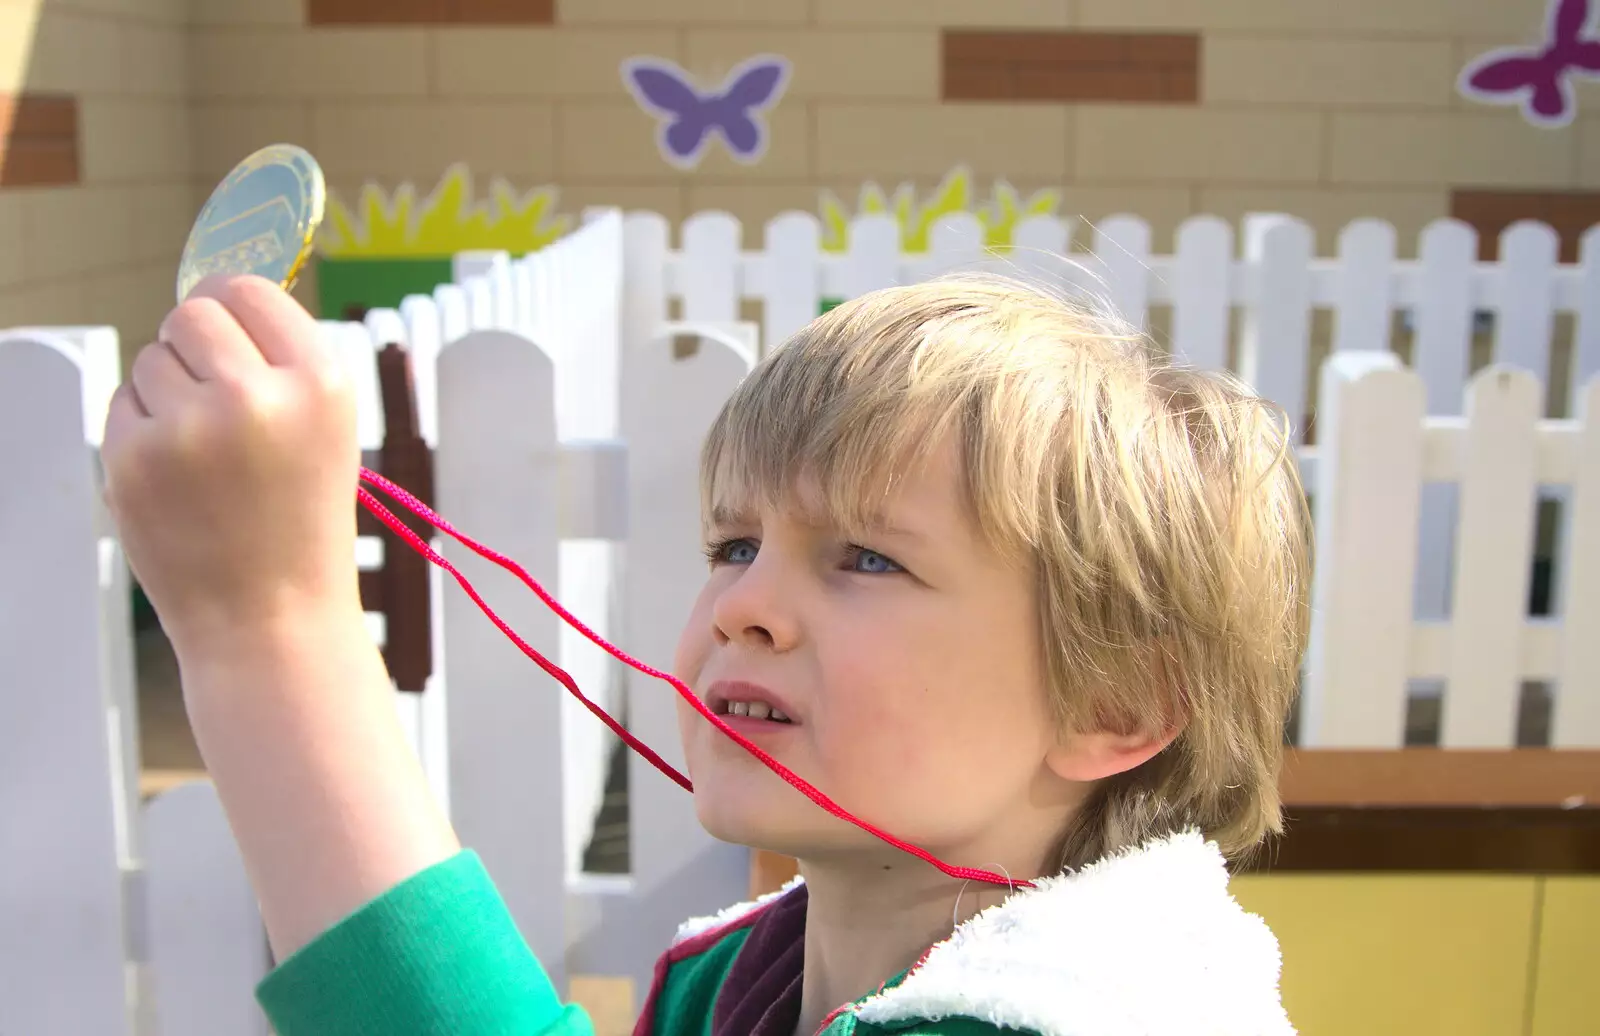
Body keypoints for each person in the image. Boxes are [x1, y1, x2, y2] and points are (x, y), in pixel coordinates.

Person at [103, 270, 1310, 1036]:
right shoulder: (723, 984)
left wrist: (265, 627)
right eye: (733, 545)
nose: (746, 607)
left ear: (1114, 698)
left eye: (867, 559)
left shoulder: (1105, 1014)